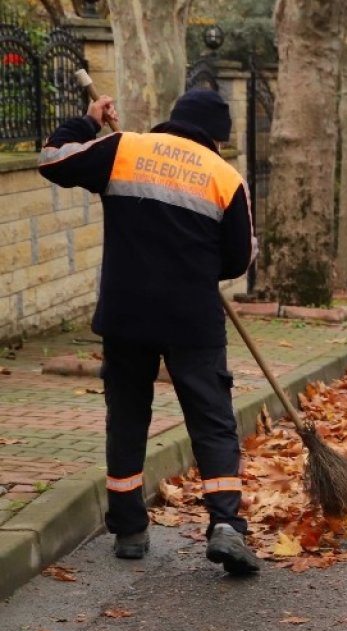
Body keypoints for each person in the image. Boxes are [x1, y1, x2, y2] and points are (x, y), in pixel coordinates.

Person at [38, 89, 260, 575]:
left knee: (128, 416)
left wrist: (87, 123)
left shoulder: (124, 148)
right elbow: (239, 259)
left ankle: (129, 527)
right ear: (217, 137)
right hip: (192, 318)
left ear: (172, 119)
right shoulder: (226, 178)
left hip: (126, 314)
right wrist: (197, 260)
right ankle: (225, 524)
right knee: (211, 418)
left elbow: (53, 160)